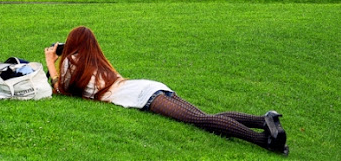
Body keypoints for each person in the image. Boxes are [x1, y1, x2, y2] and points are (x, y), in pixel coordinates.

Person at [44, 26, 289, 155]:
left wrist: (50, 62)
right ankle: (263, 120)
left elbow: (59, 89)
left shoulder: (70, 63)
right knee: (205, 118)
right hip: (150, 86)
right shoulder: (97, 62)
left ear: (73, 43)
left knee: (201, 120)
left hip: (145, 96)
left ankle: (264, 141)